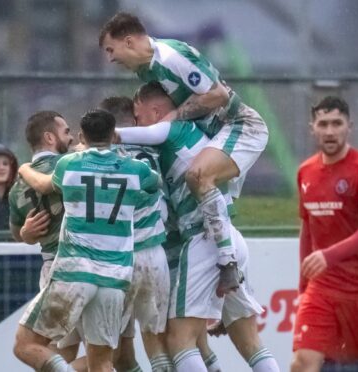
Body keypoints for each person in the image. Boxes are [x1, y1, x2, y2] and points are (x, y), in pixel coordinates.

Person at [99, 12, 269, 295]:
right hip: (216, 134)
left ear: (128, 41)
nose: (110, 58)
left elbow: (218, 96)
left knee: (198, 175)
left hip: (240, 126)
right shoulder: (146, 71)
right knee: (205, 193)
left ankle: (228, 264)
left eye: (110, 49)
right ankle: (232, 297)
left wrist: (172, 118)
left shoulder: (171, 56)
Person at [116, 82, 279, 372]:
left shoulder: (171, 131)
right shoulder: (201, 136)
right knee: (250, 343)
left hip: (203, 240)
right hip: (230, 237)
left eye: (138, 116)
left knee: (180, 339)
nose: (138, 124)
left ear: (155, 111)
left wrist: (99, 137)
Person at [13, 109, 159, 372]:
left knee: (25, 345)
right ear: (114, 137)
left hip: (74, 273)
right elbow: (155, 183)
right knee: (102, 363)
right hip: (114, 278)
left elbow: (43, 185)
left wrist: (24, 168)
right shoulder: (136, 170)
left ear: (82, 136)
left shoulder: (70, 164)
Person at [291, 96, 358, 372]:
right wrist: (304, 287)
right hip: (323, 288)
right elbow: (308, 229)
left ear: (349, 127)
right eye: (323, 124)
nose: (330, 131)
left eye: (336, 124)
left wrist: (330, 255)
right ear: (312, 128)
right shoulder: (306, 171)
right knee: (303, 362)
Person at [100, 96, 173, 372]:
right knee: (157, 342)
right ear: (132, 121)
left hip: (118, 259)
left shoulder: (98, 161)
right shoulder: (154, 152)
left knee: (116, 350)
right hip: (153, 254)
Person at [8, 111, 82, 366]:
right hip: (87, 266)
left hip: (55, 270)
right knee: (79, 355)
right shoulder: (73, 166)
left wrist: (25, 234)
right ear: (49, 137)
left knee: (42, 350)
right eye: (66, 132)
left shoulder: (17, 187)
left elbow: (16, 232)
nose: (71, 138)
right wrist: (26, 234)